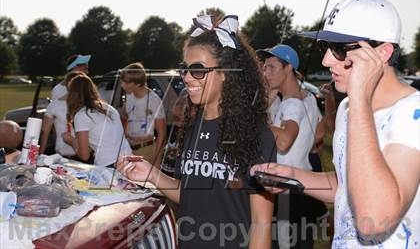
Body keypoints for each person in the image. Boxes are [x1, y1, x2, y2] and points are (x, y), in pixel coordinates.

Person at [252, 0, 420, 248]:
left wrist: (361, 101)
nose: (326, 60)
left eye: (339, 50)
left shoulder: (412, 113)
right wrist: (292, 176)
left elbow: (373, 220)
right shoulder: (347, 108)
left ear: (383, 53)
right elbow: (347, 185)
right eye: (325, 48)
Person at [117, 15, 277, 248]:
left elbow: (261, 223)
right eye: (184, 69)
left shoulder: (256, 135)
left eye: (198, 70)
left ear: (226, 73)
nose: (187, 77)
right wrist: (152, 175)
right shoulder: (193, 127)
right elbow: (191, 195)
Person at [258, 44, 325, 248]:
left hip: (287, 188)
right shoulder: (308, 98)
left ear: (288, 69)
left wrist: (258, 124)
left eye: (271, 67)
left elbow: (285, 141)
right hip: (304, 186)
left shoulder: (291, 103)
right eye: (264, 67)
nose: (265, 72)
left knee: (284, 243)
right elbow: (320, 132)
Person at [62, 74, 132, 167]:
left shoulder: (82, 115)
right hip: (129, 159)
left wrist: (70, 140)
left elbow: (84, 155)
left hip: (109, 164)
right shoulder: (108, 108)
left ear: (72, 94)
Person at [120, 62, 166, 168]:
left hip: (146, 151)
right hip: (128, 150)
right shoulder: (129, 95)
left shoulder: (153, 100)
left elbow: (162, 133)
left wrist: (156, 162)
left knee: (143, 184)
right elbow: (125, 117)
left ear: (136, 84)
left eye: (126, 83)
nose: (122, 85)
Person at [39, 71, 84, 157]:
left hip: (65, 155)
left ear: (67, 85)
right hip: (81, 155)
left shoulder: (54, 105)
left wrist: (40, 154)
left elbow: (45, 133)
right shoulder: (88, 106)